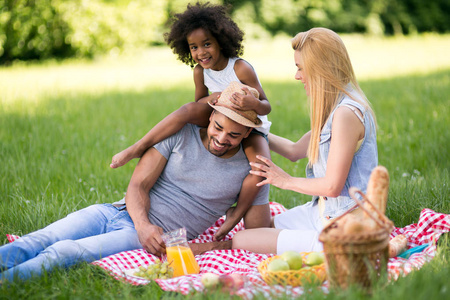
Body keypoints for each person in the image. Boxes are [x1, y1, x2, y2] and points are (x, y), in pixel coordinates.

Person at [0, 83, 270, 282]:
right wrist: (142, 224)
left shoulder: (251, 170)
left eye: (234, 134)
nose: (222, 138)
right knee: (38, 239)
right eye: (218, 127)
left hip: (149, 236)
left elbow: (258, 232)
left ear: (248, 132)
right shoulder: (182, 134)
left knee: (64, 251)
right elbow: (138, 185)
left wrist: (212, 245)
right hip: (114, 212)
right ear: (211, 116)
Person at [109, 2, 272, 241]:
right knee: (186, 110)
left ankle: (235, 215)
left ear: (221, 41)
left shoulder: (240, 68)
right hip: (217, 112)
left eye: (207, 44)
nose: (201, 52)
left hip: (250, 122)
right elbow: (199, 104)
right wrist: (213, 99)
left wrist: (253, 105)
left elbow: (267, 106)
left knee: (260, 169)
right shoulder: (199, 71)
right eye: (194, 47)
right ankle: (137, 148)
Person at [232, 28, 378, 254]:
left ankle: (346, 248)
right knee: (258, 229)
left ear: (321, 68)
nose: (297, 76)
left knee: (242, 241)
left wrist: (285, 180)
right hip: (324, 212)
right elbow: (293, 150)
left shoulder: (346, 114)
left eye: (300, 68)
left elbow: (332, 186)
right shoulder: (336, 107)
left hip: (348, 226)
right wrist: (250, 128)